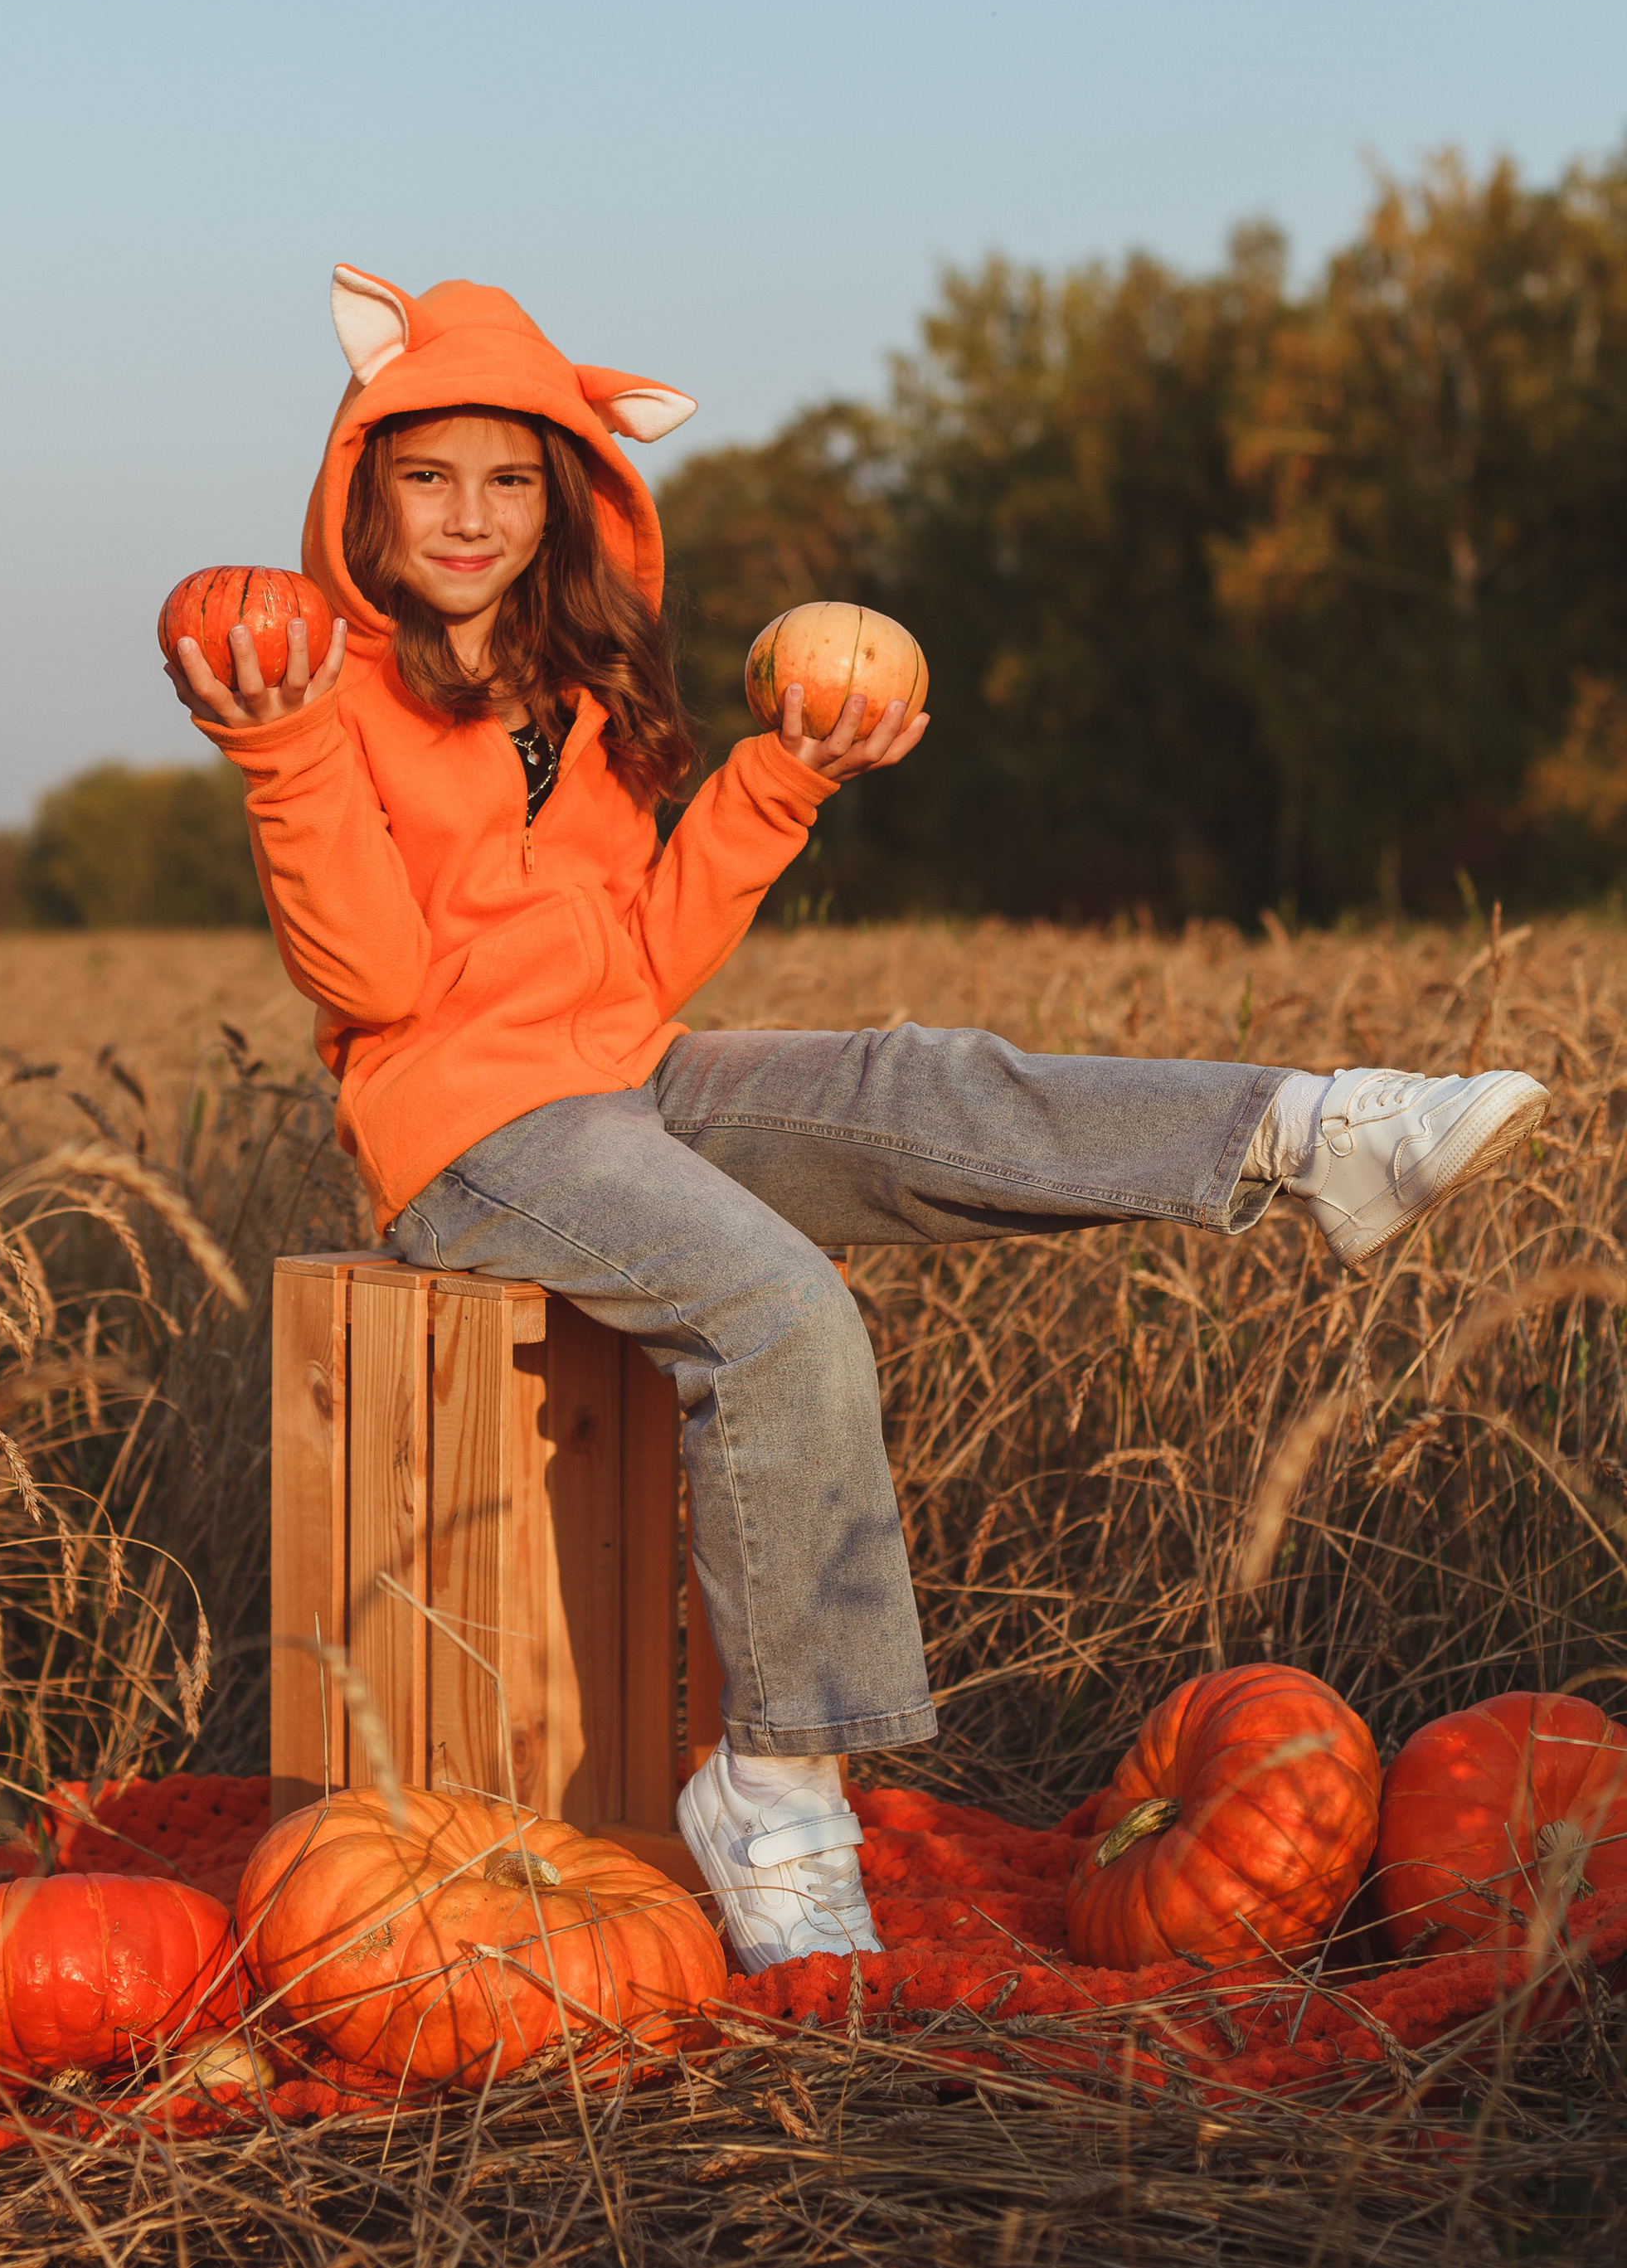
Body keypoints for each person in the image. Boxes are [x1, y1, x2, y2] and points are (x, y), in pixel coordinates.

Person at [169, 267, 1547, 1970]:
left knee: (921, 1082)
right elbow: (372, 981)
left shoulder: (582, 696)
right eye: (426, 474)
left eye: (509, 478)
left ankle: (1307, 1138)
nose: (468, 515)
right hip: (469, 1129)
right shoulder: (328, 688)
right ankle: (777, 1782)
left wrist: (782, 779)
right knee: (778, 1312)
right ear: (361, 484)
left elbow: (649, 954)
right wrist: (284, 760)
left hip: (627, 1072)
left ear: (569, 497)